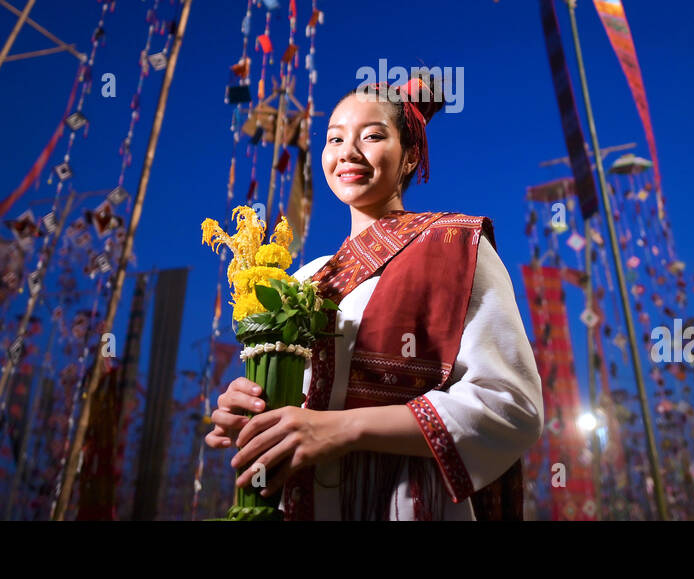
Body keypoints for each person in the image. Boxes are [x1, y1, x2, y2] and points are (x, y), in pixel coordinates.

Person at [205, 72, 543, 520]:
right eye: (335, 138)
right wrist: (248, 412)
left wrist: (342, 429)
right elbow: (297, 415)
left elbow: (511, 406)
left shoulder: (454, 246)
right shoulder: (306, 278)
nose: (348, 151)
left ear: (410, 157)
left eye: (372, 135)